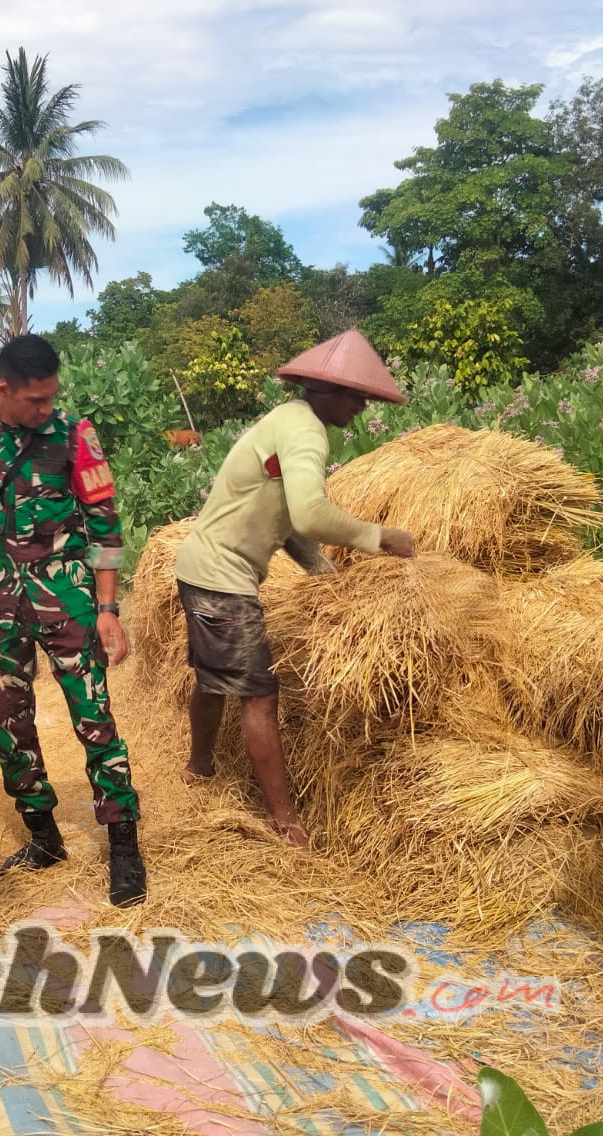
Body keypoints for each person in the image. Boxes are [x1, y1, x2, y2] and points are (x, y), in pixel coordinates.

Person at [0, 334, 145, 907]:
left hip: (66, 591)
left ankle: (122, 844)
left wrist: (109, 609)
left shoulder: (74, 434)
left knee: (93, 713)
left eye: (51, 398)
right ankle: (43, 835)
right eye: (35, 400)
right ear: (3, 391)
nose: (46, 410)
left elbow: (105, 526)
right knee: (6, 715)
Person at [172, 328, 416, 849]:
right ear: (325, 390)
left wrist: (327, 577)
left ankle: (199, 765)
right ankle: (286, 821)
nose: (359, 407)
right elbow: (309, 513)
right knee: (259, 695)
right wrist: (379, 537)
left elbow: (285, 522)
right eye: (355, 396)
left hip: (199, 568)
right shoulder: (306, 430)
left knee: (214, 676)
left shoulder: (285, 419)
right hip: (222, 577)